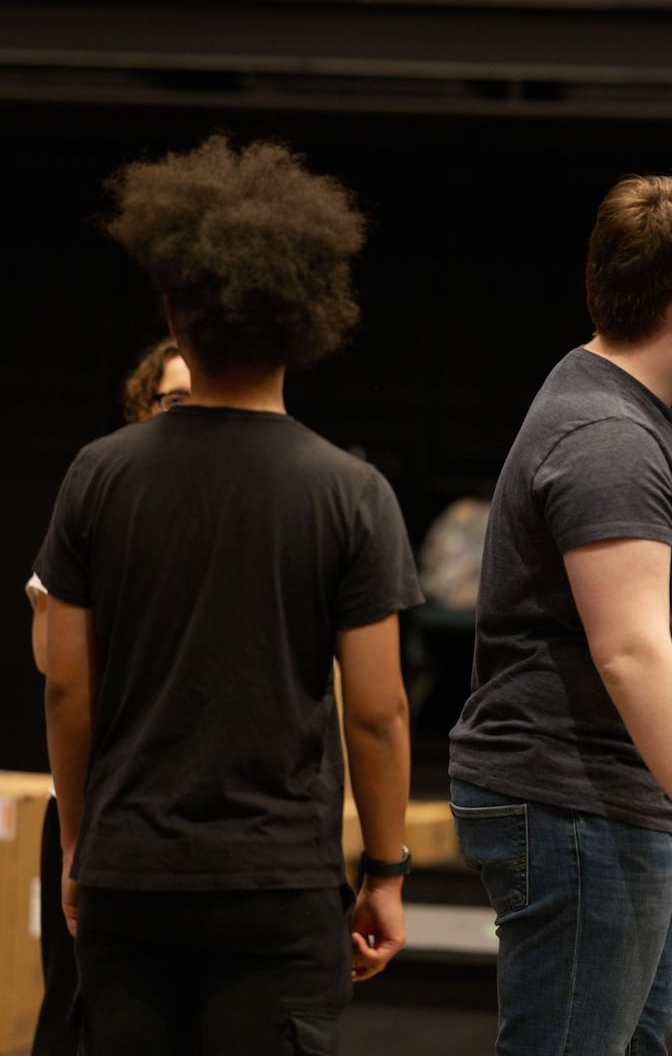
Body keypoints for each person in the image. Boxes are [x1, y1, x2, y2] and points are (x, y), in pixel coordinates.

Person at [33, 134, 421, 1054]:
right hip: (276, 882)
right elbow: (377, 712)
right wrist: (387, 871)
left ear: (172, 303)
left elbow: (64, 686)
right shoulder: (349, 491)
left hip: (129, 872)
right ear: (309, 318)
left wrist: (80, 843)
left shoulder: (98, 475)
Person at [448, 174, 672, 1055]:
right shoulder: (609, 436)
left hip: (611, 807)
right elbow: (633, 651)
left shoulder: (630, 416)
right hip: (576, 806)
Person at [25, 337, 192, 1056]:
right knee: (79, 1009)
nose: (189, 417)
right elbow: (54, 664)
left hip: (201, 811)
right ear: (143, 408)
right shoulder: (102, 490)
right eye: (174, 400)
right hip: (102, 801)